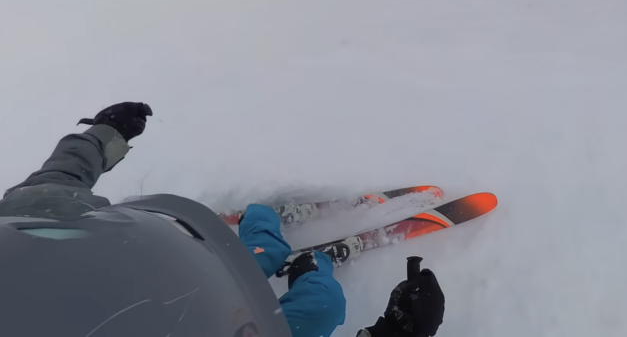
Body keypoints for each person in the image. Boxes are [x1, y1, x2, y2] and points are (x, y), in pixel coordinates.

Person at [0, 102, 445, 337]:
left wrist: (105, 132)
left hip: (172, 271)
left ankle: (270, 225)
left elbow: (59, 179)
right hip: (206, 313)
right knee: (322, 302)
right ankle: (312, 266)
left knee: (266, 249)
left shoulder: (19, 232)